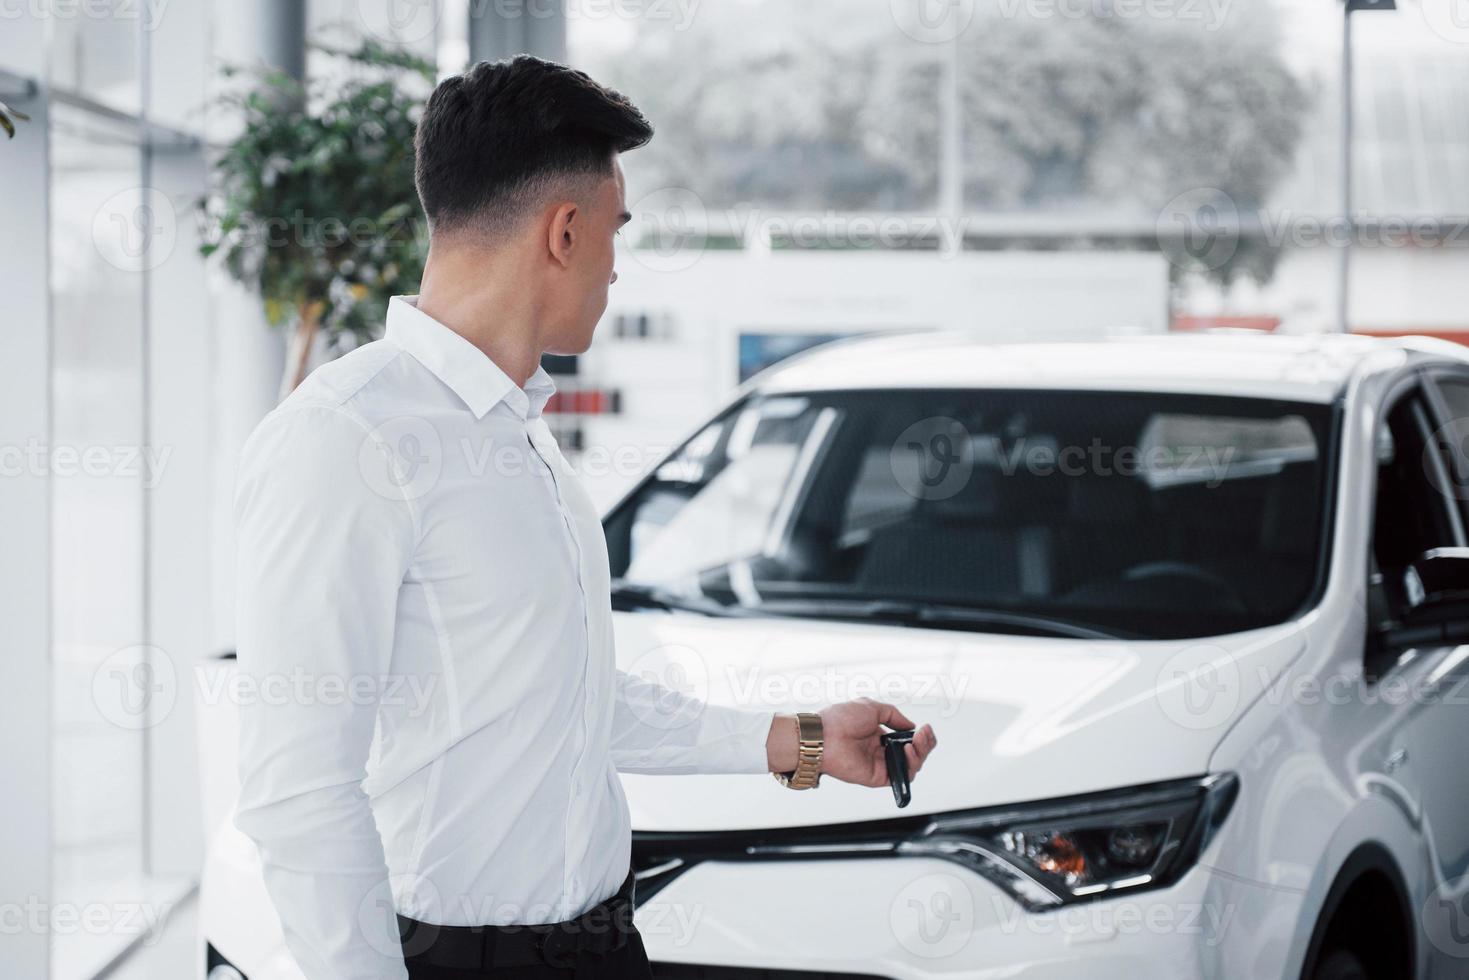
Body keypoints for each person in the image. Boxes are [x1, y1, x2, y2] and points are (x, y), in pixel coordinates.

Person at [233, 55, 938, 980]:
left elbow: (566, 699)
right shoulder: (347, 437)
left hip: (603, 944)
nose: (616, 268)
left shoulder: (517, 433)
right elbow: (297, 790)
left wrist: (804, 744)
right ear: (565, 232)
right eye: (617, 231)